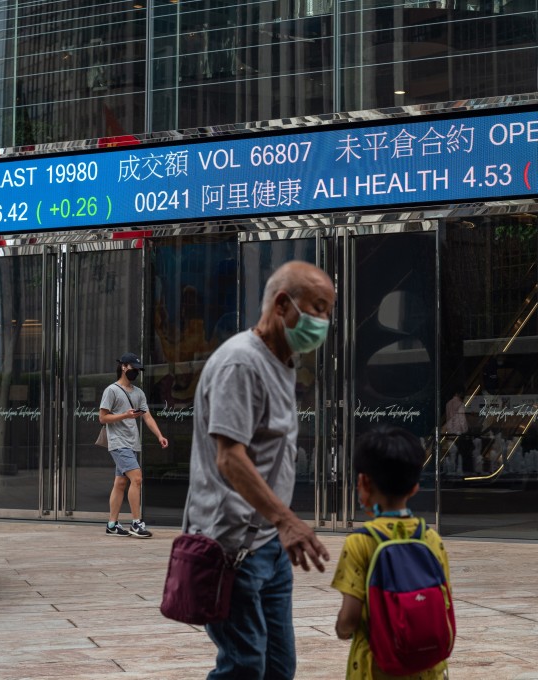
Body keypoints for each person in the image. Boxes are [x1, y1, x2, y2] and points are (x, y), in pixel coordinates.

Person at [187, 260, 334, 680]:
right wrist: (286, 520)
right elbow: (229, 457)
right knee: (244, 665)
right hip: (230, 548)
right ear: (283, 304)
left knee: (277, 666)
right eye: (319, 308)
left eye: (328, 311)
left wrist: (277, 528)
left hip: (266, 546)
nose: (324, 321)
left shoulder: (280, 362)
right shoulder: (241, 363)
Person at [331, 426, 451, 679]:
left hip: (375, 668)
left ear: (363, 482)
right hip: (428, 669)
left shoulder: (360, 543)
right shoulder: (431, 539)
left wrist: (341, 629)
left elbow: (350, 619)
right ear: (415, 487)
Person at [99, 352, 168, 538]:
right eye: (133, 368)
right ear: (123, 367)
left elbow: (147, 416)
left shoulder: (138, 393)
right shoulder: (111, 390)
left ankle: (112, 525)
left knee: (121, 482)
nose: (136, 372)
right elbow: (102, 417)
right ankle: (136, 523)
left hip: (132, 443)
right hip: (118, 442)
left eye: (138, 369)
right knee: (136, 478)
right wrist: (125, 415)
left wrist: (159, 435)